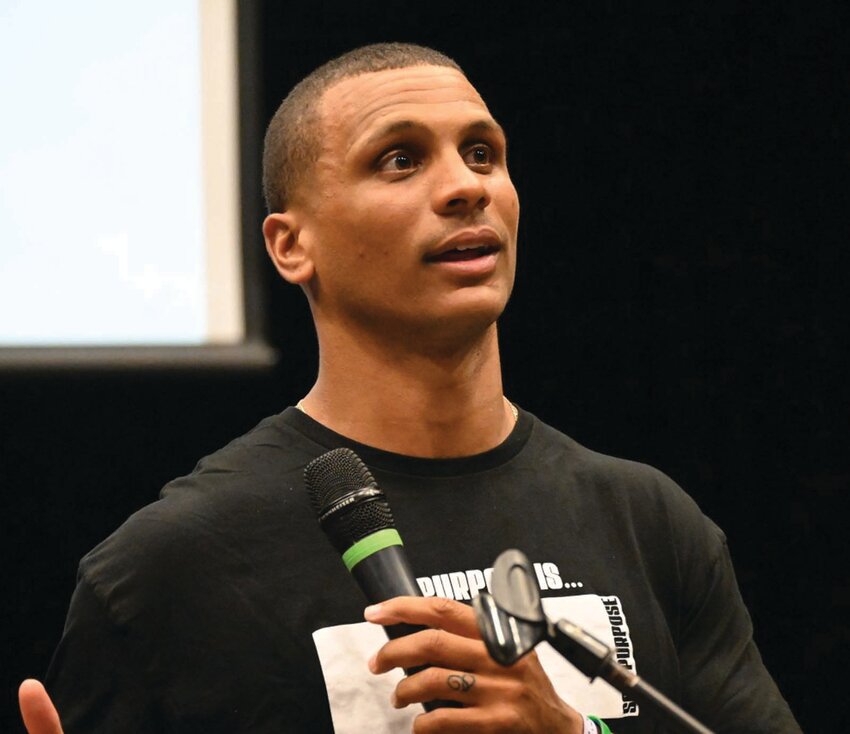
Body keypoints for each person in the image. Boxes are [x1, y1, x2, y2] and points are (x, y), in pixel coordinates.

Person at [20, 43, 801, 733]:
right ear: (293, 245)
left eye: (483, 154)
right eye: (400, 159)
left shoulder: (649, 522)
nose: (466, 187)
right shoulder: (168, 568)